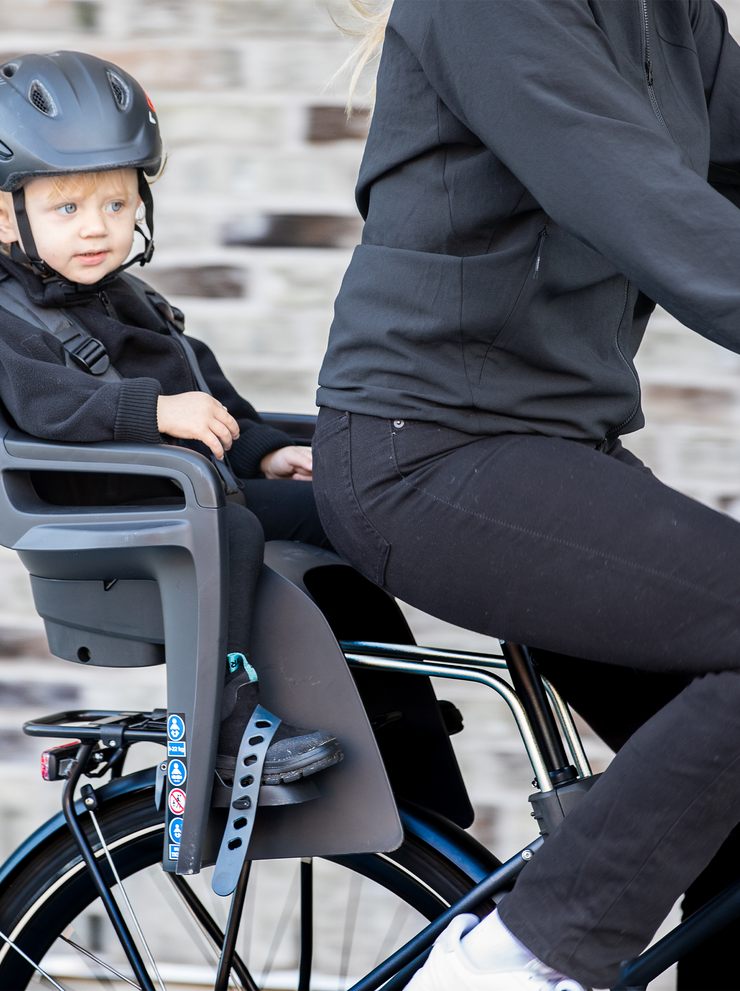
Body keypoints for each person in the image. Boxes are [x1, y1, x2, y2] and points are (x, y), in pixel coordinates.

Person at [315, 2, 740, 989]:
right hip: (427, 458)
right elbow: (646, 207)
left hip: (553, 458)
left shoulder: (674, 19)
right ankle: (519, 959)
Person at [0, 51, 342, 785]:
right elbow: (47, 406)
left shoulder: (108, 286)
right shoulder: (12, 310)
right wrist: (156, 411)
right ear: (0, 215)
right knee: (232, 527)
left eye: (116, 203)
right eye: (66, 208)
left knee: (341, 497)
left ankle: (349, 690)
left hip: (178, 478)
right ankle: (225, 734)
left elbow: (195, 372)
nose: (96, 228)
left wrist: (261, 448)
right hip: (110, 493)